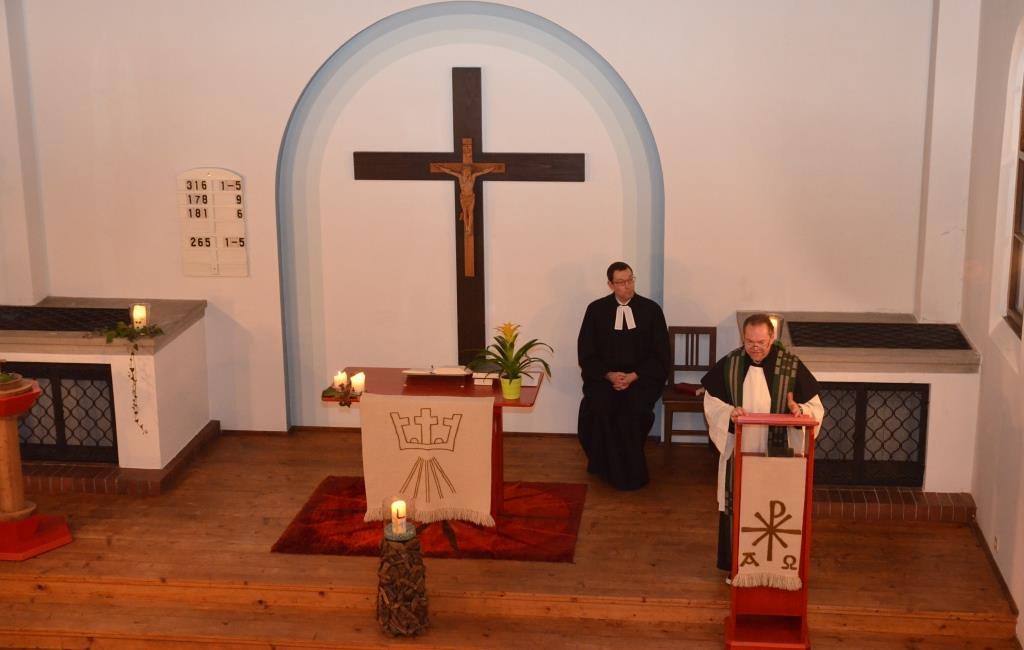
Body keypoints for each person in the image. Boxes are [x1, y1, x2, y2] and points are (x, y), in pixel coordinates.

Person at [701, 313, 825, 575]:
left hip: (778, 455)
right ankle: (737, 566)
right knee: (739, 502)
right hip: (740, 451)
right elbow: (712, 402)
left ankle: (776, 565)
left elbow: (816, 408)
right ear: (743, 338)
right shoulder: (732, 363)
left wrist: (799, 411)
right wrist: (729, 414)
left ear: (772, 338)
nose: (755, 347)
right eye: (749, 342)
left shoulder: (790, 366)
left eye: (761, 342)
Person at [577, 262, 670, 490]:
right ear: (610, 285)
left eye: (630, 280)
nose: (627, 286)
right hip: (604, 379)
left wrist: (634, 376)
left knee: (633, 409)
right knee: (600, 406)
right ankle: (603, 466)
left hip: (641, 380)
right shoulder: (596, 310)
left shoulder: (651, 310)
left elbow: (661, 354)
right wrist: (608, 375)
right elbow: (587, 353)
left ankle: (632, 472)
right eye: (621, 282)